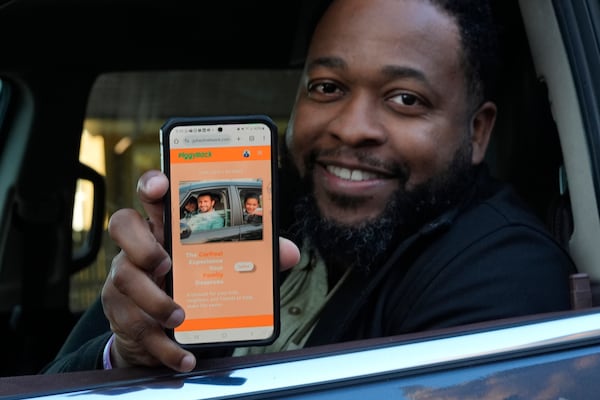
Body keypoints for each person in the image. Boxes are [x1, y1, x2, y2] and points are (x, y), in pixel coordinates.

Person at [43, 0, 577, 374]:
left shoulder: (503, 270)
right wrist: (123, 353)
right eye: (327, 87)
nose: (350, 126)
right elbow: (53, 382)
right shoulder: (247, 210)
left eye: (405, 99)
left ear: (477, 131)